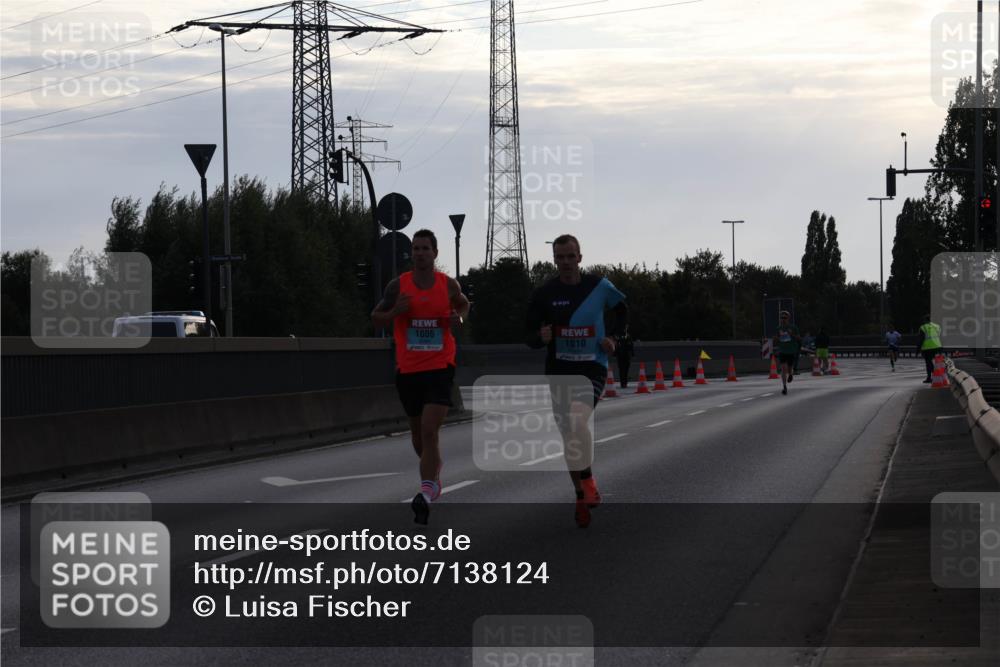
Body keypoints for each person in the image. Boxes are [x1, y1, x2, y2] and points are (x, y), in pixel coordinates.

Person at [525, 234, 628, 528]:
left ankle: (588, 480)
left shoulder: (598, 286)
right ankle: (580, 493)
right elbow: (528, 333)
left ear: (580, 258)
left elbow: (622, 310)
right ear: (554, 260)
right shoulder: (545, 293)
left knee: (577, 420)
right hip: (559, 370)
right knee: (569, 436)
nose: (566, 262)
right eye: (560, 257)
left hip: (591, 367)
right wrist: (538, 338)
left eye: (571, 256)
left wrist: (613, 338)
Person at [371, 229, 470, 525]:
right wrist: (393, 314)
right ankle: (433, 472)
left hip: (440, 366)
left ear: (435, 253)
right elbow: (375, 316)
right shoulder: (397, 287)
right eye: (415, 248)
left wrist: (459, 317)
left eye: (425, 248)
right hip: (409, 369)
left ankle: (426, 493)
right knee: (418, 434)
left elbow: (463, 304)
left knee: (429, 429)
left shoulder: (447, 284)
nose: (420, 253)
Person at [772, 311, 801, 394]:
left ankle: (791, 374)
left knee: (789, 368)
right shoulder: (778, 328)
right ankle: (784, 386)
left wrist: (791, 334)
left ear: (788, 318)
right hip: (782, 350)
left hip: (791, 350)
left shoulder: (793, 327)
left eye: (784, 318)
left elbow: (799, 338)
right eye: (781, 318)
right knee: (783, 369)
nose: (783, 319)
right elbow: (776, 339)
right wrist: (775, 339)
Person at [916, 314, 943, 383]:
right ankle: (940, 376)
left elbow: (921, 339)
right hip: (937, 347)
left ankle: (929, 377)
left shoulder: (923, 327)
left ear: (925, 320)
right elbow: (940, 336)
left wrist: (918, 350)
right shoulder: (937, 326)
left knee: (928, 363)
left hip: (928, 348)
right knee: (938, 363)